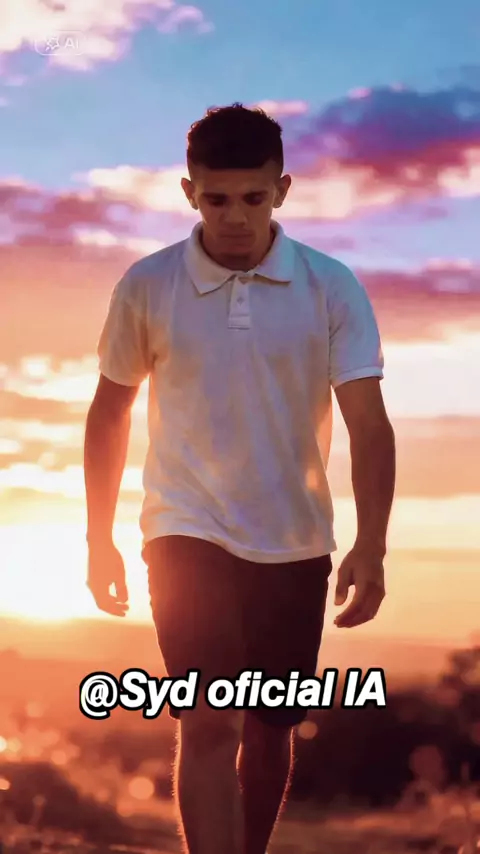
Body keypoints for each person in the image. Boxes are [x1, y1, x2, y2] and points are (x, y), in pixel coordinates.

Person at [83, 102, 396, 854]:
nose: (234, 217)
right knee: (208, 716)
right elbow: (109, 412)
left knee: (269, 725)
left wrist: (372, 545)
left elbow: (369, 424)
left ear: (281, 190)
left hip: (295, 538)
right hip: (183, 527)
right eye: (216, 199)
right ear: (189, 193)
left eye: (253, 198)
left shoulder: (332, 286)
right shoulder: (148, 284)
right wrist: (98, 539)